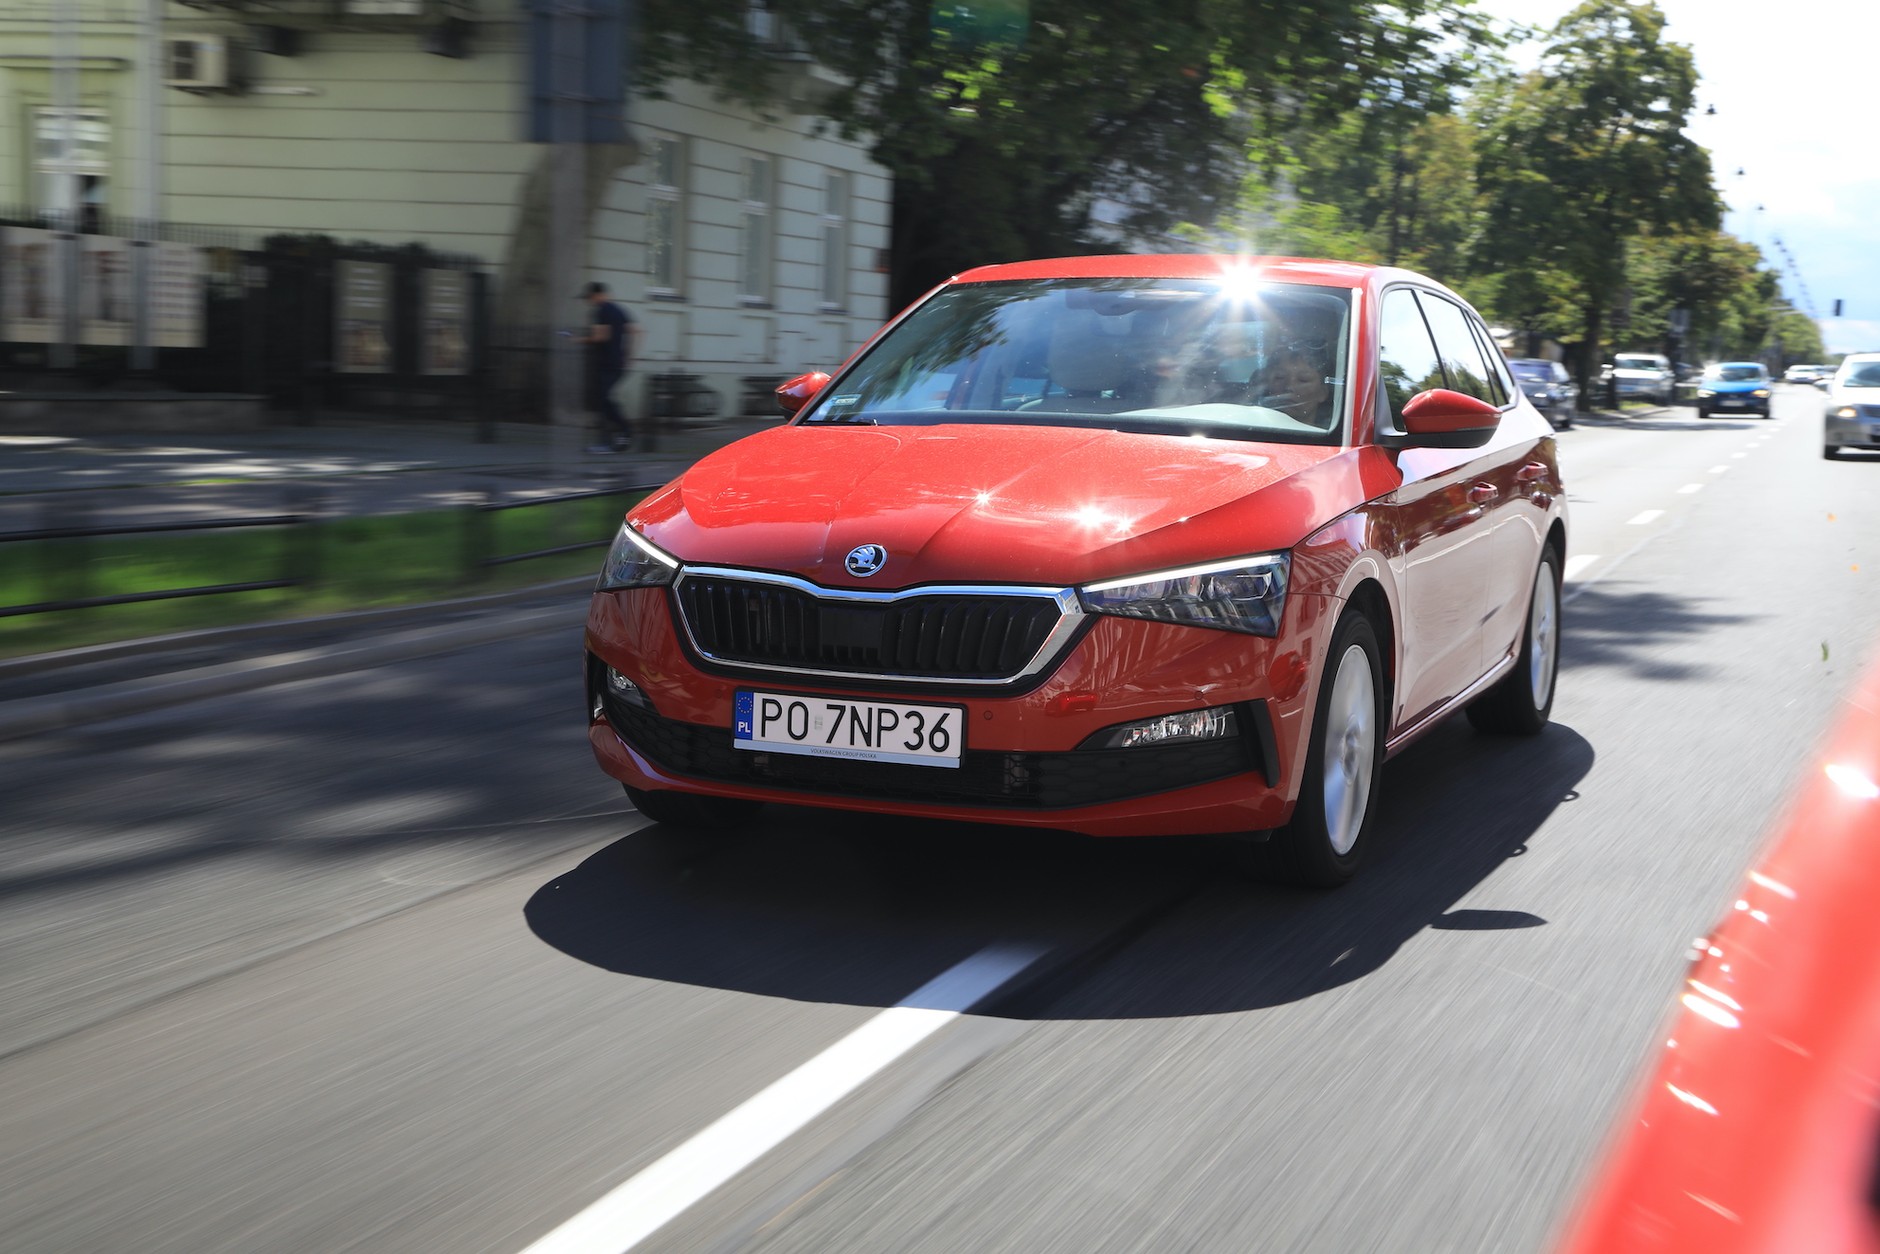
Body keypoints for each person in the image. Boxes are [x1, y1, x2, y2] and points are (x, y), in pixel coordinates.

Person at [580, 281, 638, 453]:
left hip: (606, 362)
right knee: (604, 399)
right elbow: (636, 331)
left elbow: (600, 337)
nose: (590, 301)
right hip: (617, 361)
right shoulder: (618, 310)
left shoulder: (602, 310)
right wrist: (629, 355)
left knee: (603, 399)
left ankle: (617, 434)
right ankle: (618, 434)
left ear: (597, 295)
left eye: (590, 297)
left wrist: (577, 340)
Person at [1258, 342, 1337, 427]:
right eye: (1280, 377)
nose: (1289, 387)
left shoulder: (1335, 438)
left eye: (1303, 380)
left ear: (1322, 393)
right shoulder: (1247, 424)